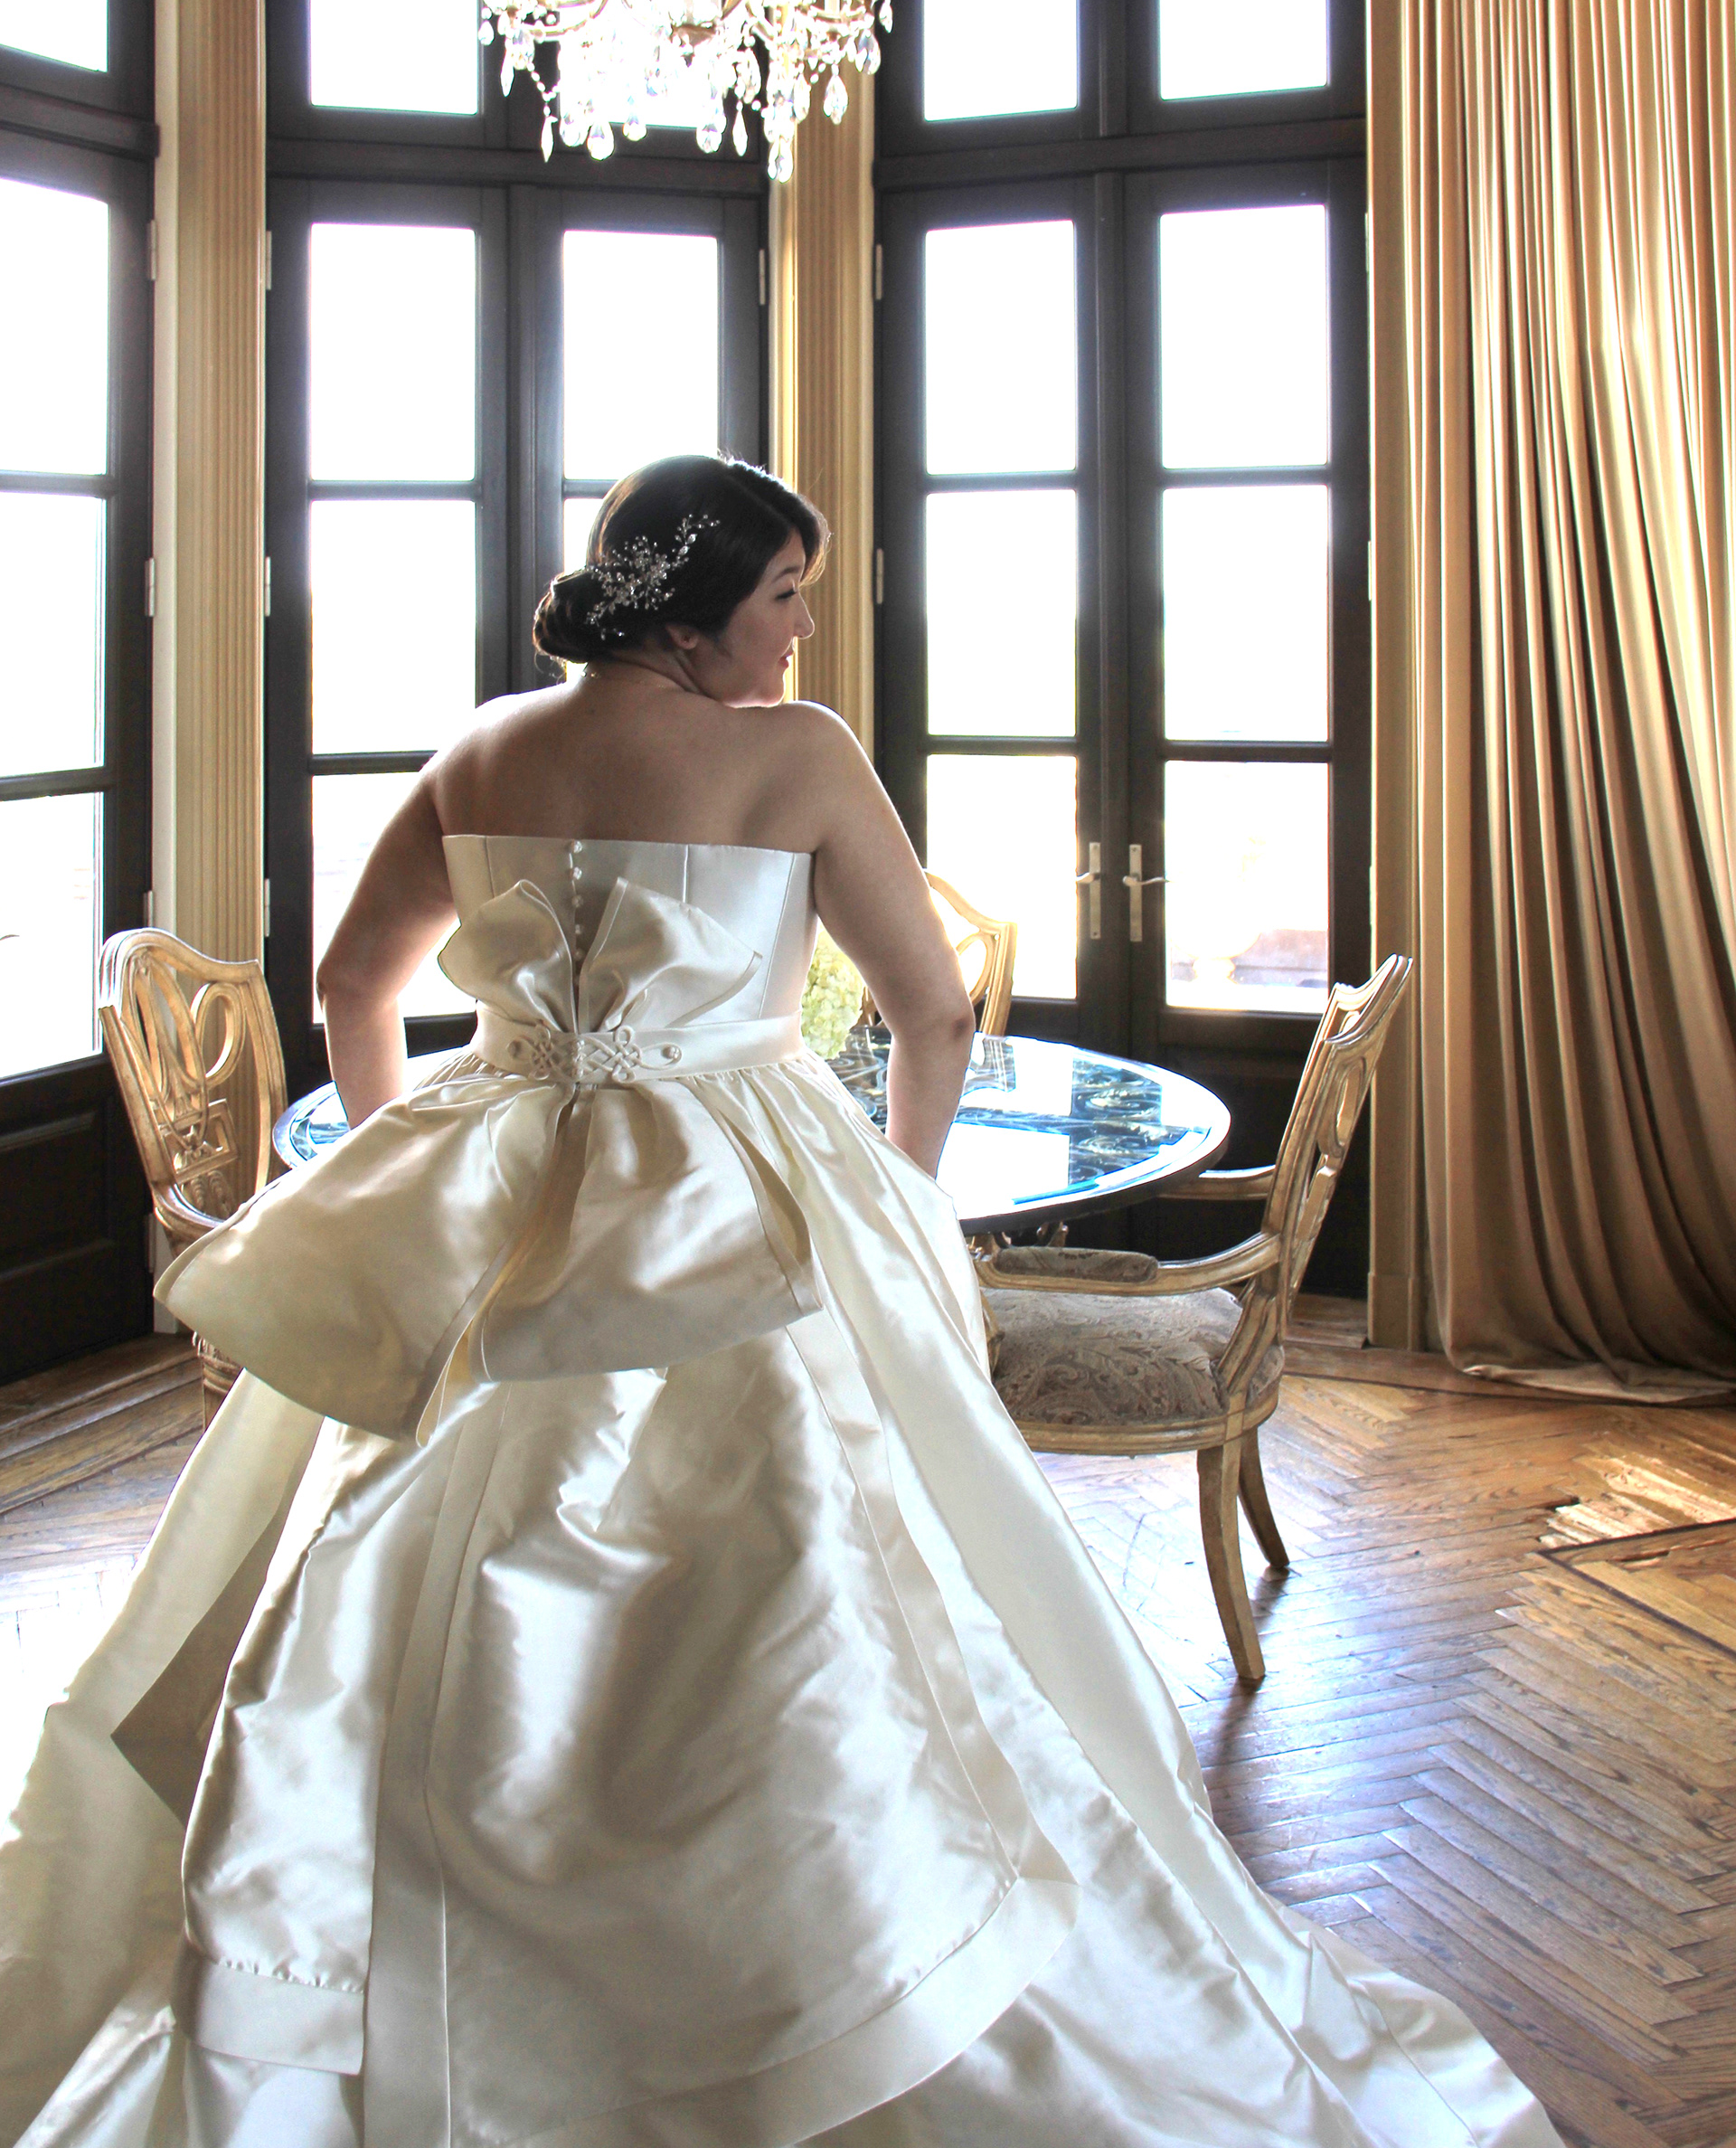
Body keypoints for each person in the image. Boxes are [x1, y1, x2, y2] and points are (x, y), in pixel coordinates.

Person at [0, 453, 1561, 2148]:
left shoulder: (481, 751)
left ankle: (396, 1983)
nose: (807, 634)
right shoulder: (795, 761)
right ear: (687, 613)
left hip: (494, 1207)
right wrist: (890, 1185)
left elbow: (348, 986)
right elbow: (932, 1014)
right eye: (785, 599)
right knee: (810, 1576)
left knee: (405, 1573)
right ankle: (798, 1969)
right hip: (737, 1200)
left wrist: (414, 1188)